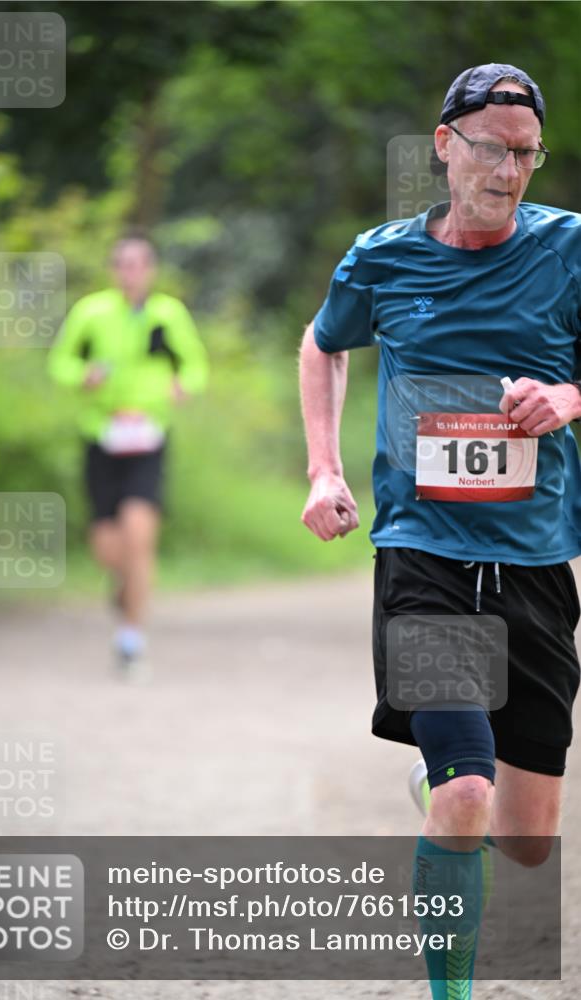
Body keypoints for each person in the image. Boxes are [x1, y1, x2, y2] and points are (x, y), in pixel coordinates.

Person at [299, 64, 581, 998]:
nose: (508, 171)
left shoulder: (569, 249)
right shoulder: (381, 257)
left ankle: (448, 792)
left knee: (527, 841)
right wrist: (325, 469)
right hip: (422, 554)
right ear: (444, 145)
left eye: (527, 155)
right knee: (468, 797)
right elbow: (322, 343)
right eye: (492, 149)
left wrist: (567, 395)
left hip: (536, 560)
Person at [48, 233, 208, 672]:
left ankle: (131, 639)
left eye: (139, 264)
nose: (131, 272)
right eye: (123, 264)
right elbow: (59, 362)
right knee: (108, 548)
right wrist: (83, 376)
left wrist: (183, 386)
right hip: (101, 434)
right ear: (113, 269)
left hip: (149, 437)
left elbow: (195, 366)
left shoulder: (168, 313)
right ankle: (124, 588)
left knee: (140, 537)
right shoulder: (91, 312)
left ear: (150, 269)